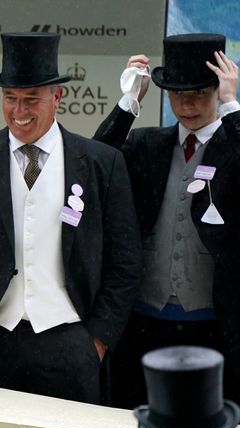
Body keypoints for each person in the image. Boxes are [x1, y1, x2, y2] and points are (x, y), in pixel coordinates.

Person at [0, 32, 142, 404]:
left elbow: (125, 260)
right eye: (10, 98)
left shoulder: (102, 163)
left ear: (57, 97)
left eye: (31, 99)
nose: (18, 111)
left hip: (70, 344)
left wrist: (97, 341)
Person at [93, 33, 240, 408]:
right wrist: (129, 103)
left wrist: (232, 108)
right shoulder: (147, 146)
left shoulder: (233, 144)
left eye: (199, 94)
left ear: (217, 91)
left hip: (216, 325)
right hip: (143, 321)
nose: (186, 105)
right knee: (134, 416)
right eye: (176, 94)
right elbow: (94, 165)